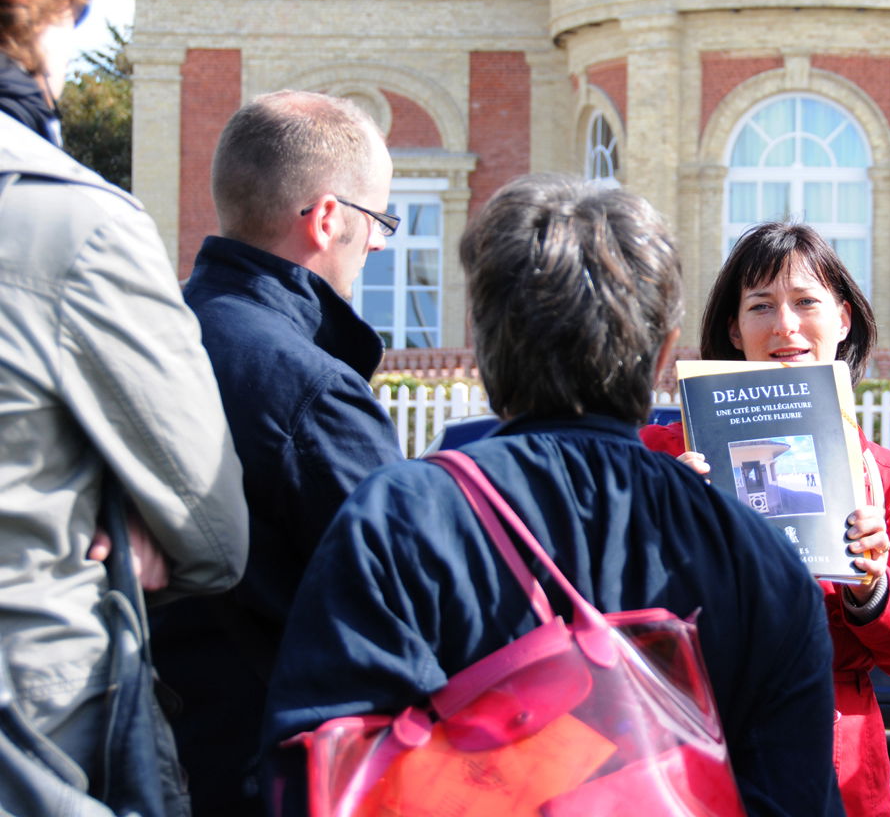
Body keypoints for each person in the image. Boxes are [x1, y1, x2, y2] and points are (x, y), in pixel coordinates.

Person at [265, 174, 845, 817]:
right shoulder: (759, 557)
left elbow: (320, 772)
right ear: (665, 354)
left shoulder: (399, 519)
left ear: (484, 348)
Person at [0, 0, 248, 816]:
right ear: (51, 6)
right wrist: (123, 513)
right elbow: (214, 528)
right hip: (39, 732)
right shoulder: (71, 220)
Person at [640, 222, 890, 817]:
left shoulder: (884, 474)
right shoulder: (660, 456)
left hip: (834, 767)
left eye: (806, 302)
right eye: (761, 306)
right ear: (734, 329)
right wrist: (662, 529)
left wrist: (873, 587)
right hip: (692, 759)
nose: (785, 326)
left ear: (843, 319)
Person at [151, 91, 405, 816]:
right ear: (329, 219)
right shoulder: (315, 392)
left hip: (139, 754)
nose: (381, 244)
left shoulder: (150, 338)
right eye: (379, 221)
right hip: (278, 773)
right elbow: (406, 603)